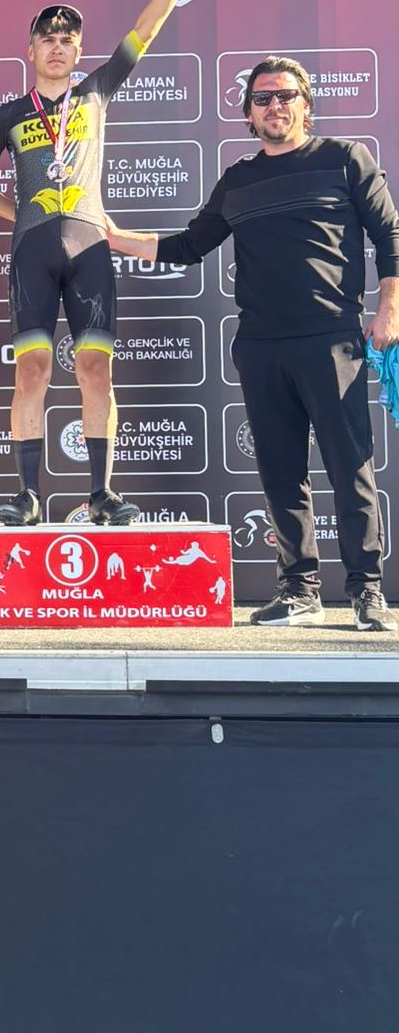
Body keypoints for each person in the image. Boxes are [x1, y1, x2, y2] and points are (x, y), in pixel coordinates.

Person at [106, 57, 399, 632]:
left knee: (350, 469)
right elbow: (189, 245)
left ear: (306, 105)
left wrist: (390, 308)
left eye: (285, 95)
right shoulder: (238, 180)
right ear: (248, 114)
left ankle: (366, 591)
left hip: (332, 340)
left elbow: (390, 234)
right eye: (262, 98)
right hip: (261, 346)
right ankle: (300, 591)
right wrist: (114, 238)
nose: (275, 106)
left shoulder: (345, 159)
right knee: (281, 473)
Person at [0, 0, 198, 527]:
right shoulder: (9, 114)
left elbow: (147, 27)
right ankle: (27, 495)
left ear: (79, 50)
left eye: (68, 39)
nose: (58, 46)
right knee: (33, 369)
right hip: (32, 251)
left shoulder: (96, 91)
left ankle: (101, 494)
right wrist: (18, 214)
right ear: (30, 49)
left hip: (91, 246)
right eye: (48, 38)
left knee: (95, 368)